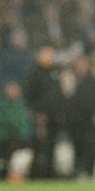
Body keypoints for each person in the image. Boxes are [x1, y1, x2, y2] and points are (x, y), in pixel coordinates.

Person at [66, 56, 95, 179]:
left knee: (91, 148)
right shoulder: (70, 80)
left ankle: (89, 172)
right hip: (74, 121)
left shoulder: (93, 82)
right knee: (77, 147)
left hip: (90, 121)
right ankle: (78, 171)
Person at [24, 46, 64, 179]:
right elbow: (29, 96)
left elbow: (59, 94)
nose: (49, 57)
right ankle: (36, 175)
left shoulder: (55, 72)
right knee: (39, 147)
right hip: (40, 118)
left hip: (55, 117)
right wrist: (37, 114)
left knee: (52, 146)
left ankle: (50, 174)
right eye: (46, 54)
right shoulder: (35, 73)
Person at [0, 81, 32, 168]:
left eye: (14, 89)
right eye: (10, 89)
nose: (12, 92)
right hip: (2, 138)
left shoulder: (21, 105)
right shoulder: (0, 104)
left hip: (19, 138)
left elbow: (23, 125)